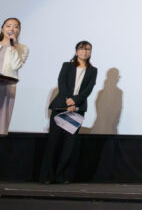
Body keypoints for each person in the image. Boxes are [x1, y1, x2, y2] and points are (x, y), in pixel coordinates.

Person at [40, 41, 98, 184]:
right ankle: (47, 176)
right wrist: (69, 101)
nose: (85, 52)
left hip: (77, 110)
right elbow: (62, 83)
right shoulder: (67, 65)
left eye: (88, 49)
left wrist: (75, 102)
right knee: (54, 142)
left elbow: (88, 90)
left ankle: (62, 176)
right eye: (82, 49)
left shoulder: (93, 70)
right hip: (60, 108)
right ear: (76, 51)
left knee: (69, 146)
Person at [0, 17, 29, 135]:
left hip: (7, 85)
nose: (12, 29)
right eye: (8, 26)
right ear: (2, 29)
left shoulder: (23, 49)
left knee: (2, 120)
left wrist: (12, 47)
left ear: (18, 31)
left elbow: (16, 66)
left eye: (15, 27)